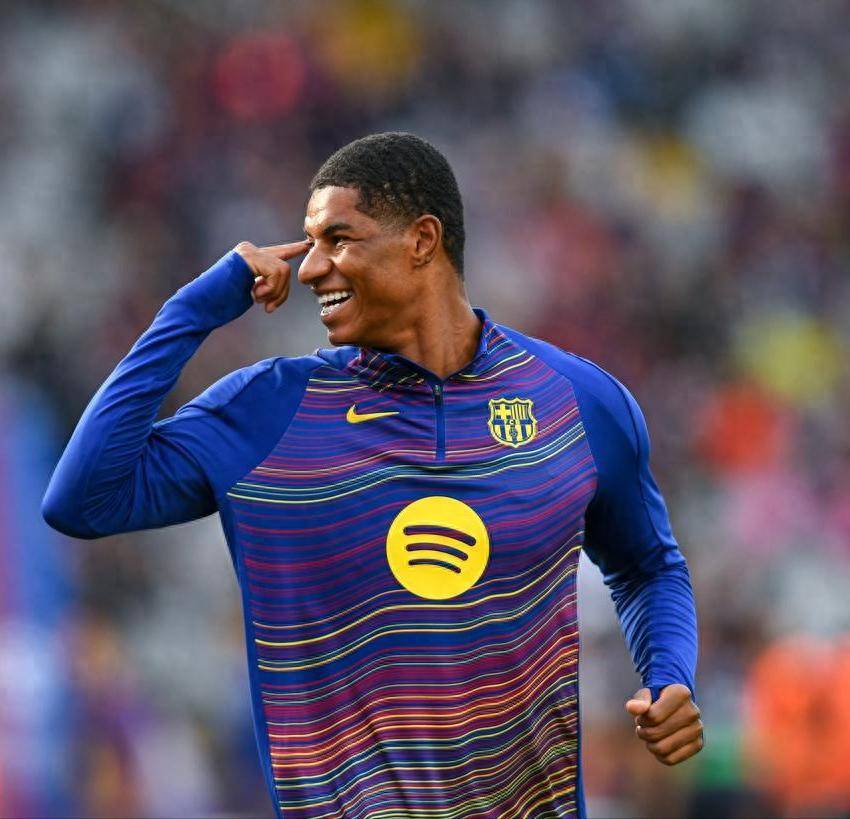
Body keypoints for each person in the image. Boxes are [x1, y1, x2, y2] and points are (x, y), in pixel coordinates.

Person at [43, 132, 701, 818]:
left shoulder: (576, 402)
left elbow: (649, 566)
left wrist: (668, 673)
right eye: (309, 243)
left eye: (338, 239)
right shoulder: (268, 411)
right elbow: (82, 499)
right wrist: (196, 308)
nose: (309, 269)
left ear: (422, 240)